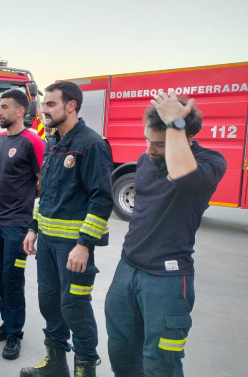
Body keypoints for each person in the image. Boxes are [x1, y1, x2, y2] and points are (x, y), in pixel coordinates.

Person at [105, 91, 226, 376]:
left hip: (168, 278)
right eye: (148, 140)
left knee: (160, 360)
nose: (149, 150)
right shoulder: (146, 161)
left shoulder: (210, 162)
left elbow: (184, 176)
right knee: (120, 350)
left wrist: (175, 124)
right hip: (128, 269)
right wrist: (165, 133)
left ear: (186, 137)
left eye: (158, 144)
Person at [20, 82, 113, 377]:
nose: (43, 110)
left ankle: (85, 369)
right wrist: (34, 228)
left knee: (74, 306)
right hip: (47, 243)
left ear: (70, 106)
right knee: (49, 302)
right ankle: (56, 364)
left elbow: (102, 198)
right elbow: (47, 192)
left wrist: (84, 244)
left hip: (73, 248)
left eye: (50, 104)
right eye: (44, 104)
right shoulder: (53, 143)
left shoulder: (91, 144)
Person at [0, 89, 44, 360]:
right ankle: (7, 323)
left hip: (17, 226)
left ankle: (15, 333)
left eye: (5, 107)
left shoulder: (33, 141)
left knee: (12, 279)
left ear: (20, 111)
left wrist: (29, 215)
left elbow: (44, 182)